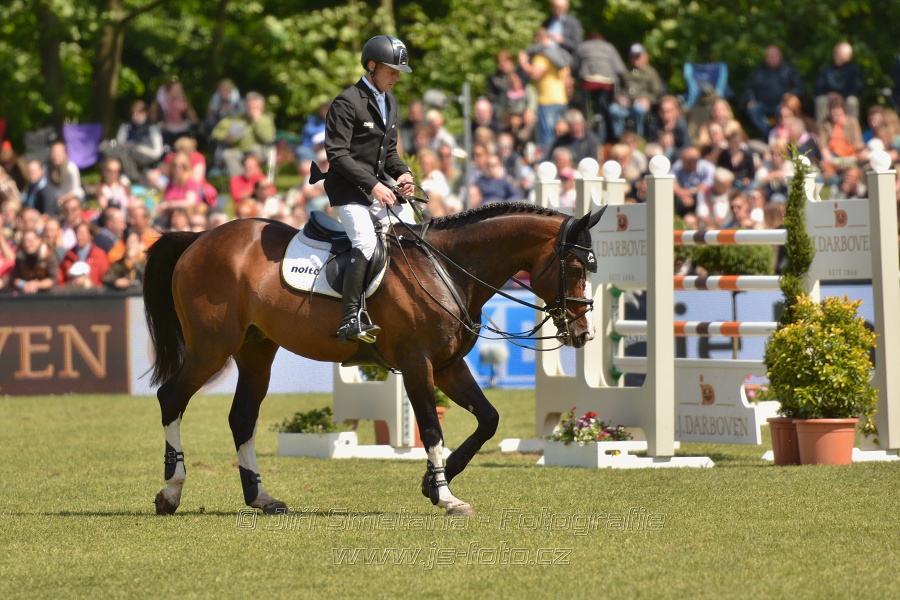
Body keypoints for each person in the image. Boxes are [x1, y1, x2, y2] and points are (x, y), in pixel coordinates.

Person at [324, 34, 415, 345]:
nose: (396, 78)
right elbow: (337, 154)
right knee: (364, 242)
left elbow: (388, 153)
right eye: (392, 71)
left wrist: (403, 174)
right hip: (348, 193)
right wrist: (375, 185)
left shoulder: (390, 101)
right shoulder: (346, 102)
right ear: (372, 66)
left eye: (398, 72)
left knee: (413, 235)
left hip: (378, 190)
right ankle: (350, 317)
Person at [519, 27, 571, 152]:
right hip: (561, 100)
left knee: (546, 137)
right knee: (559, 136)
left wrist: (524, 63)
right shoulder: (560, 56)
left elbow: (536, 74)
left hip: (547, 101)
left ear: (538, 38)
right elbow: (568, 83)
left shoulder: (543, 56)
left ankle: (546, 164)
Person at [571, 32, 626, 142]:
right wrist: (624, 86)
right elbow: (621, 70)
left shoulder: (582, 47)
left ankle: (592, 131)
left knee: (589, 111)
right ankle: (610, 137)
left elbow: (573, 67)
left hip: (588, 83)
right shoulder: (610, 47)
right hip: (607, 84)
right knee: (604, 109)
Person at [742, 45, 807, 138]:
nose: (771, 58)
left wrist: (791, 94)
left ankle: (783, 135)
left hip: (781, 104)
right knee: (752, 110)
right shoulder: (758, 72)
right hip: (762, 104)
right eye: (769, 56)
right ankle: (768, 134)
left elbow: (800, 88)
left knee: (783, 110)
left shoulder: (789, 70)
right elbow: (749, 89)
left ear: (780, 57)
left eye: (774, 55)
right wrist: (750, 100)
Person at [211, 91, 276, 177]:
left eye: (255, 107)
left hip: (258, 150)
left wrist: (257, 121)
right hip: (238, 149)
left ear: (261, 108)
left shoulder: (265, 120)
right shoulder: (236, 119)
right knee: (228, 154)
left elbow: (268, 138)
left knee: (254, 151)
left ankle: (255, 180)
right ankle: (239, 181)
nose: (251, 109)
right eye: (249, 107)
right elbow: (216, 134)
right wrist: (226, 137)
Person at [609, 43, 664, 140]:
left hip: (641, 104)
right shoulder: (625, 71)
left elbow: (657, 92)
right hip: (626, 104)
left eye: (638, 57)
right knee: (613, 109)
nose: (635, 60)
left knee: (638, 109)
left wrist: (647, 100)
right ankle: (620, 138)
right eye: (633, 57)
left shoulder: (651, 72)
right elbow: (618, 89)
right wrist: (619, 98)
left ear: (645, 57)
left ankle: (638, 138)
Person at [107, 99, 164, 184]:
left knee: (125, 152)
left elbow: (157, 152)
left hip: (147, 156)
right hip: (127, 156)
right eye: (133, 113)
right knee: (110, 149)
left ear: (145, 113)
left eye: (138, 112)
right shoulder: (125, 127)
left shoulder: (152, 128)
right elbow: (120, 145)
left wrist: (138, 149)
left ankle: (132, 179)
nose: (135, 115)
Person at [814, 42, 864, 126]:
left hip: (846, 97)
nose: (836, 56)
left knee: (852, 101)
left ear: (848, 56)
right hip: (829, 98)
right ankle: (822, 129)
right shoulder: (826, 69)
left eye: (839, 54)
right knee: (820, 100)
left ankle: (851, 128)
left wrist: (841, 95)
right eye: (835, 53)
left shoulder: (855, 70)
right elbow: (818, 88)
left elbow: (858, 89)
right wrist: (829, 94)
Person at [59, 221, 109, 289]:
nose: (79, 236)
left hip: (93, 295)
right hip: (72, 295)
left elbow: (105, 279)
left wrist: (89, 282)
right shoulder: (69, 255)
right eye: (77, 233)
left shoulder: (100, 255)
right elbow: (61, 279)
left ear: (90, 236)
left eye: (82, 233)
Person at [11, 229, 58, 294]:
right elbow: (15, 279)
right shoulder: (20, 257)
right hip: (25, 294)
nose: (28, 244)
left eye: (31, 241)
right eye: (25, 241)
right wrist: (24, 285)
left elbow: (53, 279)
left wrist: (37, 285)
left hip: (47, 295)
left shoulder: (49, 256)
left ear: (39, 241)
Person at [45, 139, 84, 205]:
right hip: (56, 200)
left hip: (72, 198)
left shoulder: (71, 168)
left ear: (64, 153)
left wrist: (62, 200)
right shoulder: (47, 169)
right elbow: (49, 190)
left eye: (58, 154)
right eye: (53, 153)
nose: (55, 156)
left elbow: (75, 190)